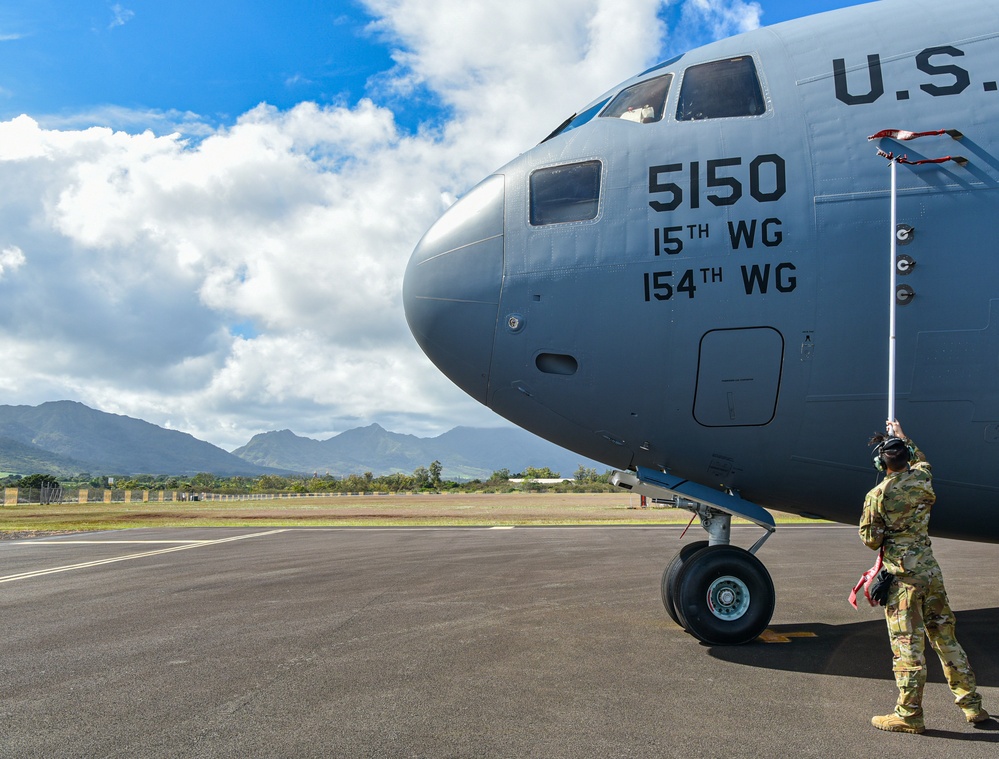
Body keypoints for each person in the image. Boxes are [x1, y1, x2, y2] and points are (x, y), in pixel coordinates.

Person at [860, 419, 989, 733]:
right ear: (906, 458)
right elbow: (922, 461)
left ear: (881, 462)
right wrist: (904, 437)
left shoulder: (878, 494)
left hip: (903, 580)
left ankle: (909, 715)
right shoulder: (923, 479)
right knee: (945, 638)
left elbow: (871, 539)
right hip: (930, 572)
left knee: (908, 647)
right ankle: (972, 705)